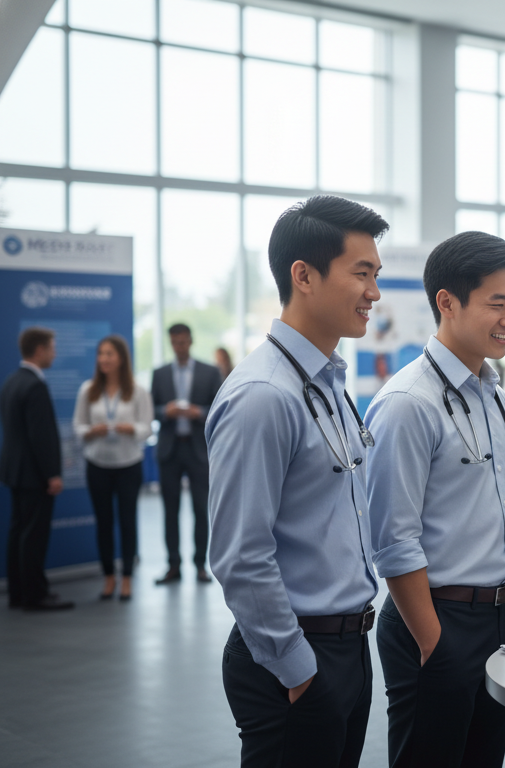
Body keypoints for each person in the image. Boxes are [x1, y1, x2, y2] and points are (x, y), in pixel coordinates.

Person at [208, 195, 387, 768]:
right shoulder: (264, 395)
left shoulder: (328, 382)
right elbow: (241, 554)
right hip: (297, 655)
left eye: (376, 275)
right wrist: (296, 667)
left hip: (346, 647)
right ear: (303, 275)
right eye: (361, 274)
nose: (374, 293)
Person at [366, 231, 505, 768]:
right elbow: (392, 539)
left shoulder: (493, 394)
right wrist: (434, 642)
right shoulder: (408, 403)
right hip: (435, 618)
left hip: (499, 616)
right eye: (497, 304)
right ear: (447, 302)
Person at [73, 335, 152, 601]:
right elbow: (78, 427)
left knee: (127, 522)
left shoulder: (137, 390)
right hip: (97, 464)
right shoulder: (88, 389)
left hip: (129, 464)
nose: (104, 359)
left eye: (109, 354)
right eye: (100, 354)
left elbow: (147, 428)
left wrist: (131, 428)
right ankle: (108, 577)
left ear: (121, 358)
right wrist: (90, 432)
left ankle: (127, 577)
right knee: (103, 523)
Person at [1, 327, 72, 612]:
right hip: (34, 475)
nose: (55, 353)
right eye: (52, 348)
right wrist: (51, 474)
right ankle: (35, 595)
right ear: (40, 350)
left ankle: (18, 592)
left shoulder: (12, 381)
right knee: (34, 535)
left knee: (19, 531)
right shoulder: (35, 385)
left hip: (15, 471)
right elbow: (39, 436)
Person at [150, 323, 222, 585]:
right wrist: (164, 412)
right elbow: (151, 409)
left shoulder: (209, 372)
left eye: (183, 341)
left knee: (200, 509)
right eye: (175, 342)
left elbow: (219, 407)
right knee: (170, 511)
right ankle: (173, 565)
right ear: (171, 343)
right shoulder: (159, 374)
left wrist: (199, 413)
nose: (179, 346)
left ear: (190, 341)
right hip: (170, 448)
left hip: (197, 449)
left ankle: (200, 565)